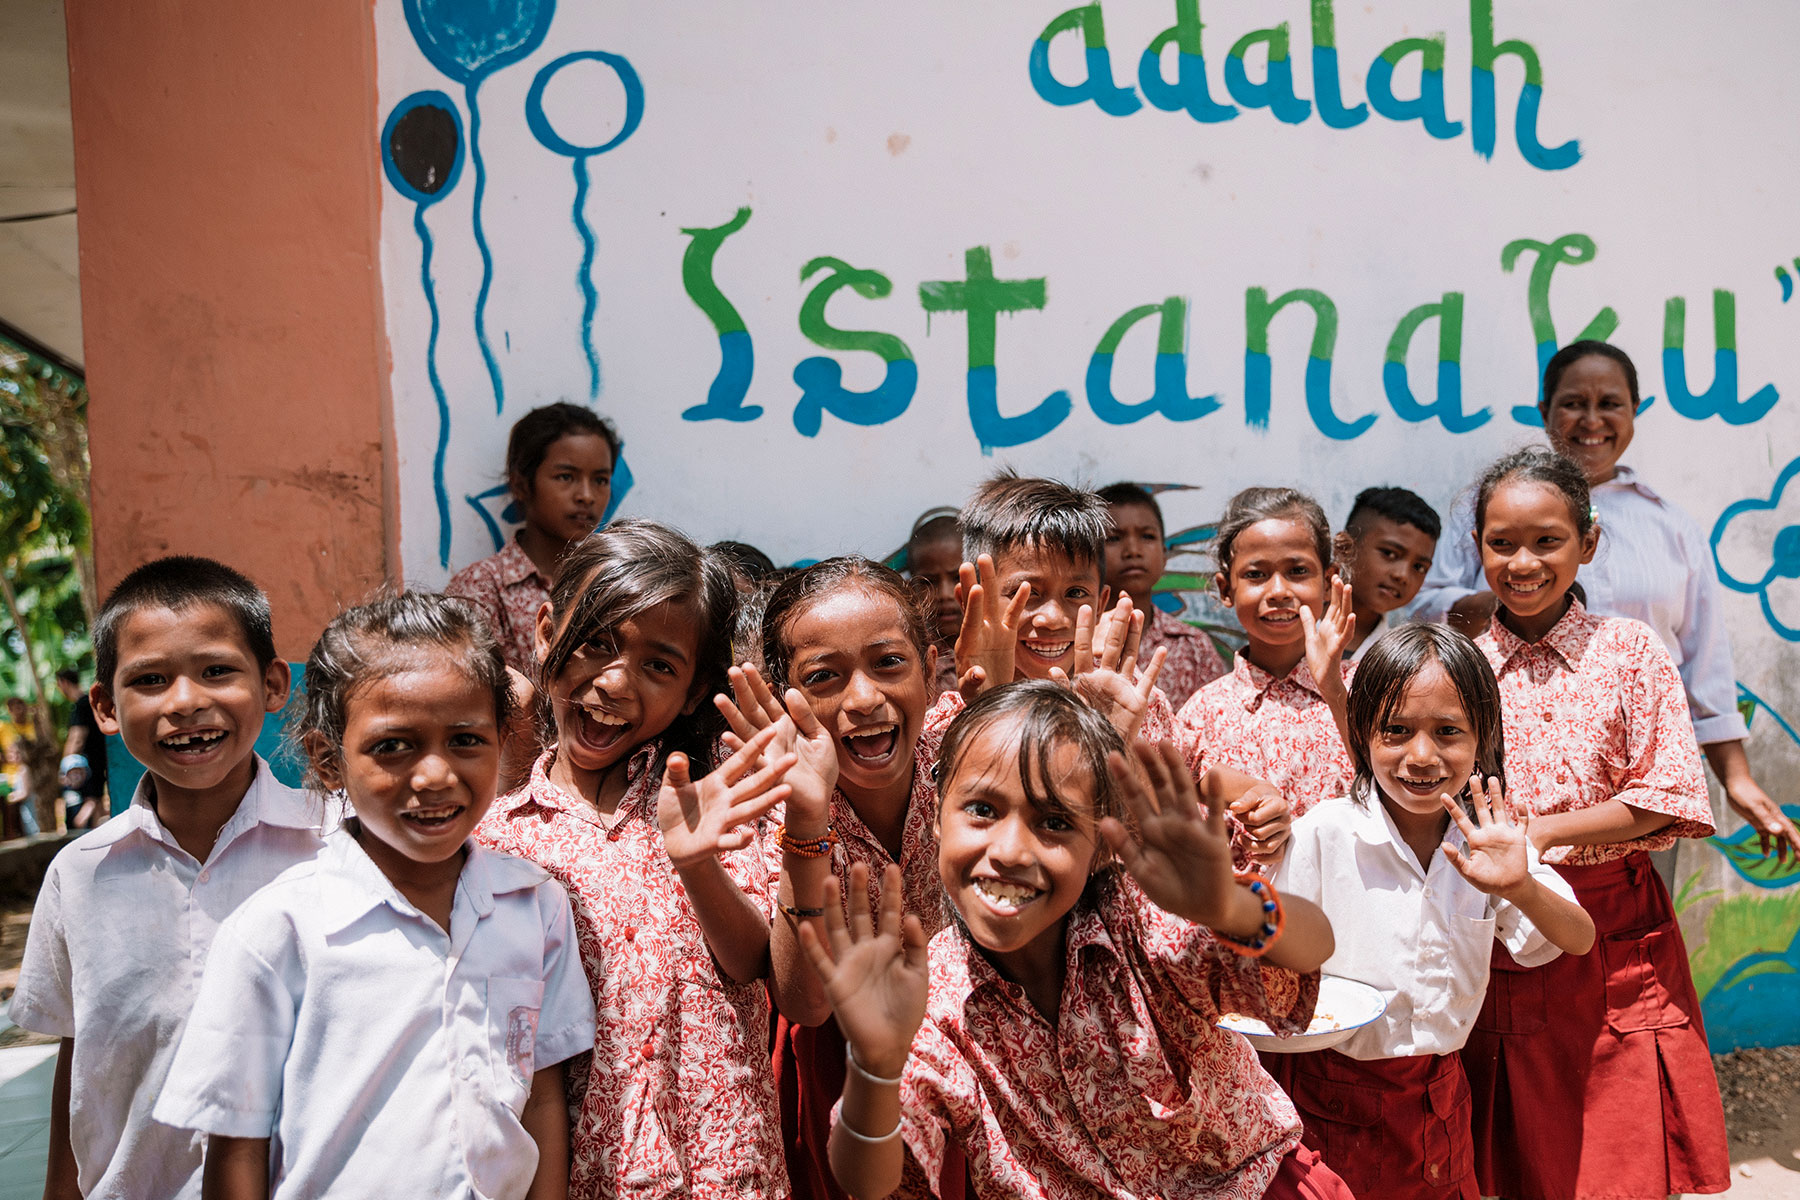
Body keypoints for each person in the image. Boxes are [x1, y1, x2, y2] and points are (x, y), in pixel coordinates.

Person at [800, 681, 1346, 1200]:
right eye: (983, 811)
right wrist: (873, 1063)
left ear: (1103, 848)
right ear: (938, 819)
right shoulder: (925, 1000)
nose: (1011, 851)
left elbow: (1314, 945)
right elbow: (866, 1180)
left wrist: (1231, 904)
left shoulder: (1140, 920)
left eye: (1055, 822)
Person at [153, 592, 596, 1199]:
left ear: (501, 740)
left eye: (466, 740)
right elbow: (237, 1147)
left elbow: (542, 1098)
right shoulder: (277, 931)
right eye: (393, 746)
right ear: (328, 761)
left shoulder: (535, 906)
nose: (436, 775)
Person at [473, 519, 799, 1199]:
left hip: (727, 1173)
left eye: (659, 665)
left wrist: (695, 862)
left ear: (691, 689)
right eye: (594, 643)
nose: (616, 682)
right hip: (589, 1180)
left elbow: (750, 964)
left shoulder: (720, 798)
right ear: (542, 631)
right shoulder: (495, 840)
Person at [1455, 447, 1728, 1200]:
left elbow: (1668, 794)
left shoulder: (1633, 652)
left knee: (1625, 1151)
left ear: (1589, 543)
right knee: (1521, 1152)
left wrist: (1541, 834)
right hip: (1509, 936)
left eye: (1547, 541)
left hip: (1618, 930)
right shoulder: (1463, 668)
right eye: (1501, 543)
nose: (1523, 562)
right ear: (1477, 545)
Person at [10, 556, 327, 1200]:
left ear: (272, 685)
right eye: (150, 680)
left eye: (217, 671)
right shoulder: (80, 874)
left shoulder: (337, 846)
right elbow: (81, 1052)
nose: (186, 702)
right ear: (104, 706)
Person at [1409, 340, 1800, 860]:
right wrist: (1509, 605)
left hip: (1633, 804)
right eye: (1573, 403)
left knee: (1629, 915)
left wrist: (1737, 778)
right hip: (1510, 816)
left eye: (1609, 403)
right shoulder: (1491, 507)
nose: (1591, 420)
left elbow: (1705, 662)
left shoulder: (1672, 527)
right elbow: (1426, 610)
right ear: (1545, 411)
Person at [1272, 623, 1594, 1200]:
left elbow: (1578, 937)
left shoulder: (1490, 839)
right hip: (1332, 1094)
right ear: (1362, 731)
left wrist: (1521, 886)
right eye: (1396, 731)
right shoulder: (1323, 833)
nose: (1420, 756)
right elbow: (1273, 964)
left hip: (1443, 1092)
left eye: (1448, 732)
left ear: (1483, 738)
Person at [716, 558, 957, 1200]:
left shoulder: (971, 757)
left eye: (889, 663)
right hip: (837, 1071)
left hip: (977, 1052)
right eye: (824, 676)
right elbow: (804, 1001)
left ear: (932, 671)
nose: (863, 699)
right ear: (782, 695)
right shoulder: (764, 796)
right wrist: (807, 813)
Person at [1174, 488, 1357, 832]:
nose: (1278, 591)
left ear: (1330, 581)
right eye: (1256, 575)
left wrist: (1333, 689)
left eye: (1298, 571)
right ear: (1226, 589)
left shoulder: (1366, 689)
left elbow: (1393, 793)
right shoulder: (1202, 715)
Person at [447, 401, 619, 674]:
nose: (586, 495)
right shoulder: (483, 587)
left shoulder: (610, 582)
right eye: (565, 477)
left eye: (600, 480)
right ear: (521, 485)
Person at [1098, 482, 1228, 708]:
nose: (1133, 551)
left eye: (1147, 536)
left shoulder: (1194, 647)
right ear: (1088, 555)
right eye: (1114, 538)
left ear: (1164, 554)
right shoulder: (1075, 640)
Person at [1340, 488, 1440, 661]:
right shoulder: (1290, 629)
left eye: (1419, 567)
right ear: (1345, 549)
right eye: (1390, 553)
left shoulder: (1402, 660)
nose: (1402, 575)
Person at [902, 508, 964, 697]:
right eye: (930, 581)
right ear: (912, 588)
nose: (945, 594)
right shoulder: (911, 654)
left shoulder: (1005, 647)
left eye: (957, 577)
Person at [57, 668, 107, 828]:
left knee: (89, 804)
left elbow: (77, 738)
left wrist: (65, 767)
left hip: (87, 766)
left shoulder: (81, 705)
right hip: (100, 762)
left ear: (63, 683)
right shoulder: (91, 702)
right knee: (96, 801)